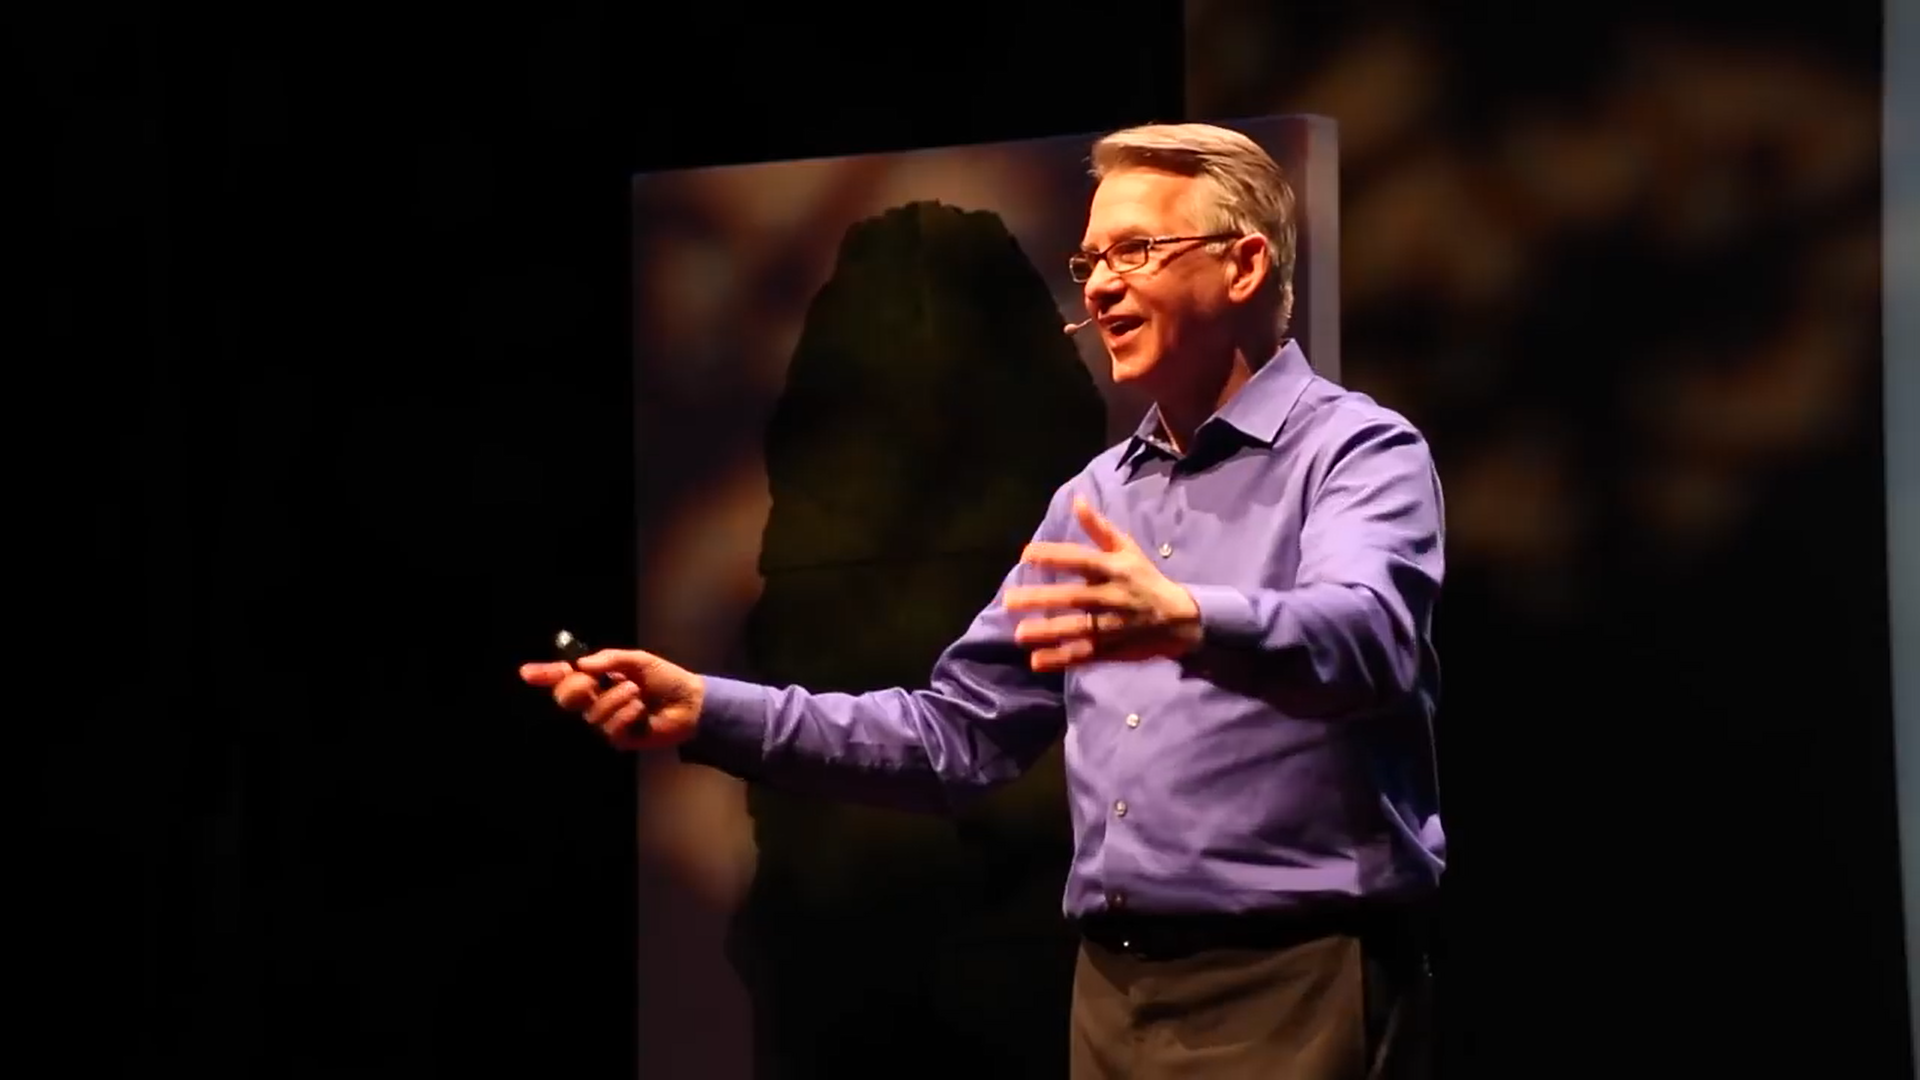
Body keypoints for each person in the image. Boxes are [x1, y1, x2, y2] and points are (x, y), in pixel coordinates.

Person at [522, 122, 1447, 1079]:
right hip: (1113, 996)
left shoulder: (1358, 453)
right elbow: (952, 736)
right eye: (1090, 259)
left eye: (1135, 250)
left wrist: (1185, 619)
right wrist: (708, 710)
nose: (1098, 284)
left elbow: (1370, 636)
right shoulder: (1096, 500)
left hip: (1297, 983)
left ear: (1245, 264)